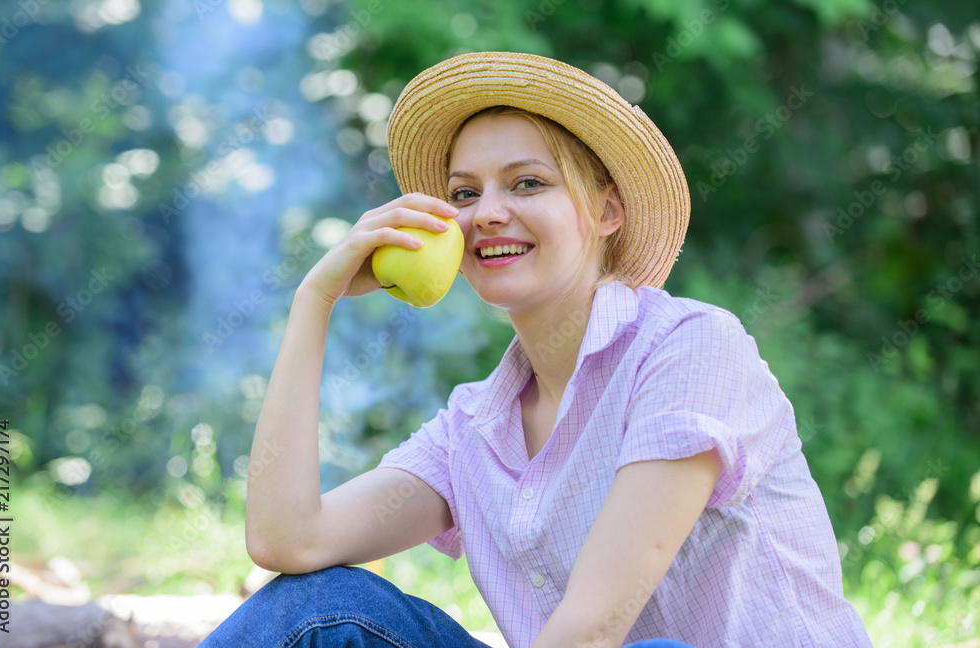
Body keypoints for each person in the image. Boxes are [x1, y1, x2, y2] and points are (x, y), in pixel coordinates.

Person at [198, 52, 872, 647]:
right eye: (465, 193)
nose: (486, 212)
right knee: (319, 603)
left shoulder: (691, 349)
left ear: (607, 211)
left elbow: (592, 631)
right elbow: (287, 540)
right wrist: (313, 303)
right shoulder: (474, 431)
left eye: (526, 183)